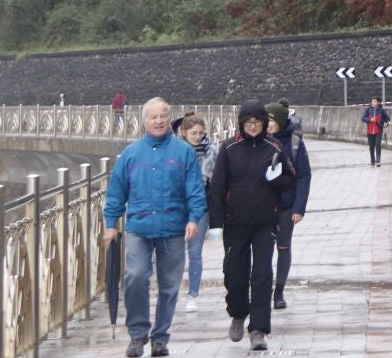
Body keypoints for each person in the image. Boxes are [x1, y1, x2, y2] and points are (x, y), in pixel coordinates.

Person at [103, 98, 206, 358]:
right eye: (153, 117)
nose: (159, 121)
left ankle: (160, 338)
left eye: (163, 116)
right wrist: (110, 224)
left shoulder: (183, 152)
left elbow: (195, 189)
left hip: (172, 228)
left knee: (169, 286)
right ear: (144, 121)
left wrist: (194, 218)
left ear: (169, 119)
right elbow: (116, 191)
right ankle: (138, 334)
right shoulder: (131, 153)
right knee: (135, 276)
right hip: (139, 226)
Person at [209, 99, 295, 352]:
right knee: (234, 274)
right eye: (249, 122)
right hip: (234, 222)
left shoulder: (274, 147)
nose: (254, 126)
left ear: (265, 123)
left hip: (265, 221)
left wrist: (276, 179)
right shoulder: (228, 149)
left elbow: (289, 181)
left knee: (261, 274)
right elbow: (216, 188)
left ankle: (258, 329)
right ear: (241, 124)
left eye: (258, 122)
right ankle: (238, 312)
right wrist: (216, 222)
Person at [266, 101, 310, 311]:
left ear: (281, 121)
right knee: (263, 249)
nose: (267, 124)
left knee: (283, 246)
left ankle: (279, 292)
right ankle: (264, 289)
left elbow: (304, 175)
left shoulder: (295, 143)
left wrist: (299, 208)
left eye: (272, 120)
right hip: (263, 204)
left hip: (286, 204)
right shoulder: (260, 140)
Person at [178, 114, 218, 313]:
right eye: (194, 133)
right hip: (177, 205)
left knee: (194, 252)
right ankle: (170, 290)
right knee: (175, 252)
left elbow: (218, 180)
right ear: (184, 132)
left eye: (201, 133)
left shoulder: (212, 151)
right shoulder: (175, 150)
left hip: (201, 205)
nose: (198, 137)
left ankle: (193, 294)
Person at [361, 97, 390, 166]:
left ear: (378, 103)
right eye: (372, 101)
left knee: (378, 144)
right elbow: (363, 118)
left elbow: (387, 118)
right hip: (370, 131)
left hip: (379, 130)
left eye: (374, 101)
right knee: (371, 146)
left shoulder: (382, 110)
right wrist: (370, 120)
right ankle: (372, 161)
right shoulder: (368, 110)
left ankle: (378, 161)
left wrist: (388, 122)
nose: (373, 103)